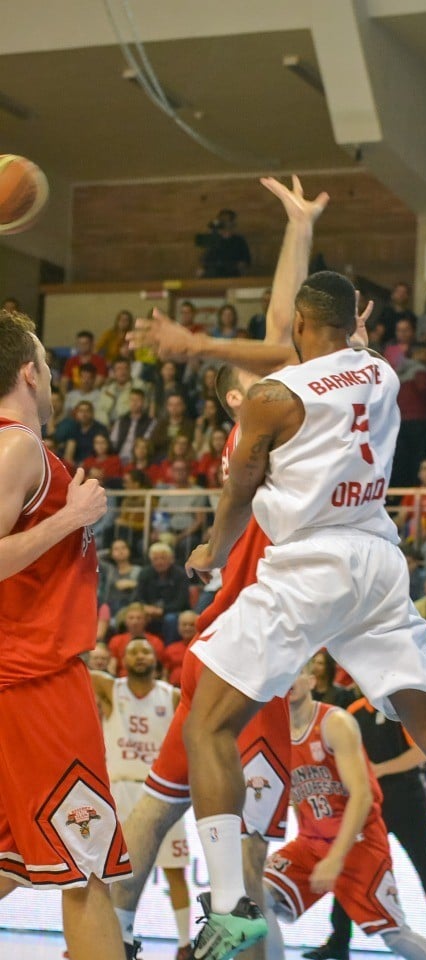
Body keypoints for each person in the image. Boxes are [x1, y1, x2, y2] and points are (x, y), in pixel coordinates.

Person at [180, 272, 426, 960]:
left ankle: (231, 907)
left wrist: (212, 550)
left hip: (308, 564)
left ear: (296, 323)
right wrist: (351, 332)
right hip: (379, 560)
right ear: (353, 325)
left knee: (207, 724)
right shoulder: (379, 372)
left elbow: (241, 486)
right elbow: (342, 355)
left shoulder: (270, 398)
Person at [111, 175, 332, 960]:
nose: (277, 367)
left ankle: (106, 941)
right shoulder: (270, 426)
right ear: (238, 401)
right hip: (253, 655)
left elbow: (283, 324)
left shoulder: (266, 419)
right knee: (243, 859)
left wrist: (298, 226)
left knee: (156, 808)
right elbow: (287, 331)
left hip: (217, 649)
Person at [0, 310, 130, 960]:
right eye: (47, 368)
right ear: (29, 371)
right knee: (85, 870)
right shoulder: (17, 445)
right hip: (34, 682)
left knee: (8, 865)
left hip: (17, 677)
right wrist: (72, 517)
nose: (52, 379)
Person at [263, 666, 426, 960]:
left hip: (359, 842)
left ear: (312, 680)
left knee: (394, 934)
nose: (288, 681)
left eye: (296, 672)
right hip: (312, 843)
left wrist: (335, 857)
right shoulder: (277, 732)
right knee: (256, 898)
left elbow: (361, 796)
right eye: (283, 674)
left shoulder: (335, 722)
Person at [91, 638, 192, 960]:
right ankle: (111, 938)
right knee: (107, 873)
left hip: (160, 792)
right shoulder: (110, 688)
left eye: (145, 650)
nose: (139, 655)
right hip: (119, 791)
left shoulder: (172, 695)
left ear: (156, 658)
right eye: (132, 651)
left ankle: (185, 944)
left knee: (175, 872)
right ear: (121, 658)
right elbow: (75, 666)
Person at [195, 209, 251, 278]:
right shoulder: (211, 239)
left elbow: (245, 263)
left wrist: (240, 268)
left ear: (233, 222)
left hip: (232, 276)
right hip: (212, 276)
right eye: (221, 220)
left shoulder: (239, 241)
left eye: (227, 220)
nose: (224, 223)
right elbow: (202, 261)